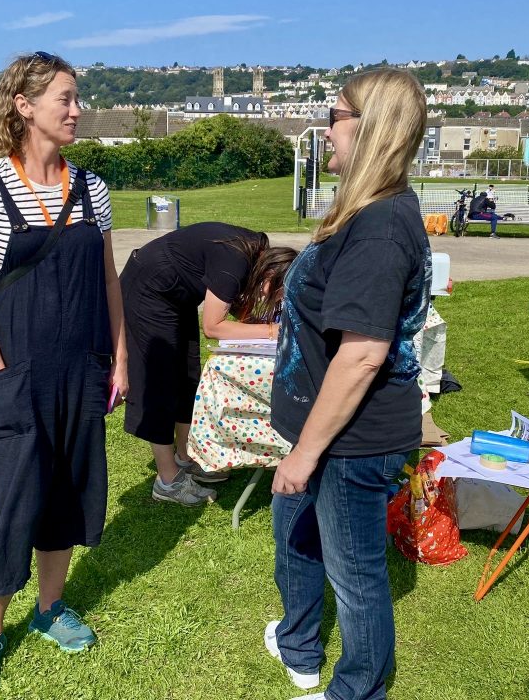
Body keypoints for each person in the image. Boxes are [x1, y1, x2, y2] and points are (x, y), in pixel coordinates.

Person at [0, 51, 128, 699]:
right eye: (65, 98)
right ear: (25, 106)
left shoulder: (93, 190)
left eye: (77, 98)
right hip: (15, 373)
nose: (77, 110)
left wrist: (121, 355)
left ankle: (51, 608)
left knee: (69, 489)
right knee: (14, 498)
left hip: (82, 370)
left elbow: (108, 280)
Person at [267, 69, 431, 700]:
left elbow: (363, 355)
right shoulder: (362, 212)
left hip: (351, 439)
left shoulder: (382, 227)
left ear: (370, 128)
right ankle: (299, 643)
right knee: (297, 535)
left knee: (356, 574)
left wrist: (307, 453)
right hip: (322, 430)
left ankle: (357, 689)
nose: (325, 128)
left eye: (333, 115)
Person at [120, 222, 296, 506]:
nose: (271, 301)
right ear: (271, 274)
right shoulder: (236, 260)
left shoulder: (256, 253)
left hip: (178, 297)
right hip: (148, 291)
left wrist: (260, 326)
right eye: (275, 294)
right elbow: (213, 327)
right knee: (160, 383)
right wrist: (271, 332)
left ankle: (185, 458)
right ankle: (168, 481)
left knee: (187, 376)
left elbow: (233, 306)